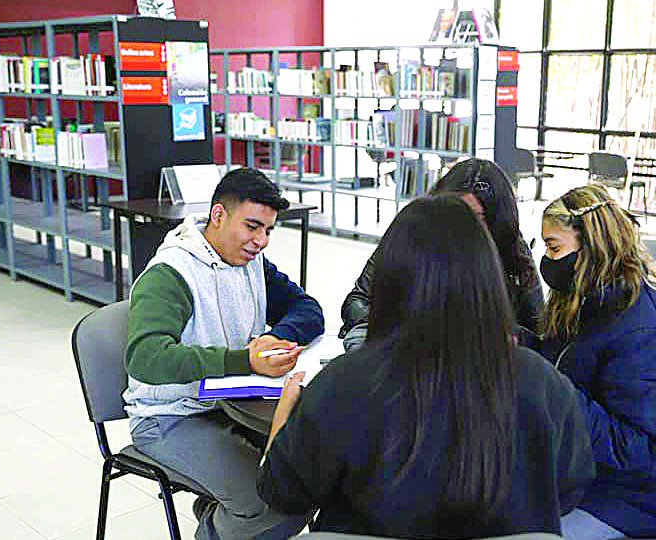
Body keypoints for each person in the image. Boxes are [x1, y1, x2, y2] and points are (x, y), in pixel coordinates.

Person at [257, 194, 595, 538]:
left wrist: (283, 422)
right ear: (488, 276)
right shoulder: (542, 382)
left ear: (390, 278)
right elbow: (569, 488)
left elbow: (283, 494)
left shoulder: (341, 384)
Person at [122, 167, 324, 540]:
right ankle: (216, 529)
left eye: (268, 231)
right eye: (252, 227)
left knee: (310, 476)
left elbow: (307, 310)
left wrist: (274, 339)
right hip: (169, 416)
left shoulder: (250, 262)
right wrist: (243, 361)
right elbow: (146, 358)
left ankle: (220, 513)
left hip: (228, 403)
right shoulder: (170, 273)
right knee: (272, 506)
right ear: (218, 216)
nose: (261, 241)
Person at [536, 184, 656, 539]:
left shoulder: (650, 334)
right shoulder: (588, 301)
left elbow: (634, 449)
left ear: (592, 247)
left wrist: (550, 389)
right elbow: (564, 361)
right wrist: (522, 347)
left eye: (554, 247)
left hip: (640, 496)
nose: (547, 260)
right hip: (586, 473)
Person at [339, 158, 543, 351]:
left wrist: (496, 334)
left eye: (476, 217)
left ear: (495, 220)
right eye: (456, 211)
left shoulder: (513, 249)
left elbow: (538, 331)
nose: (463, 224)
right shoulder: (411, 236)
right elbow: (356, 303)